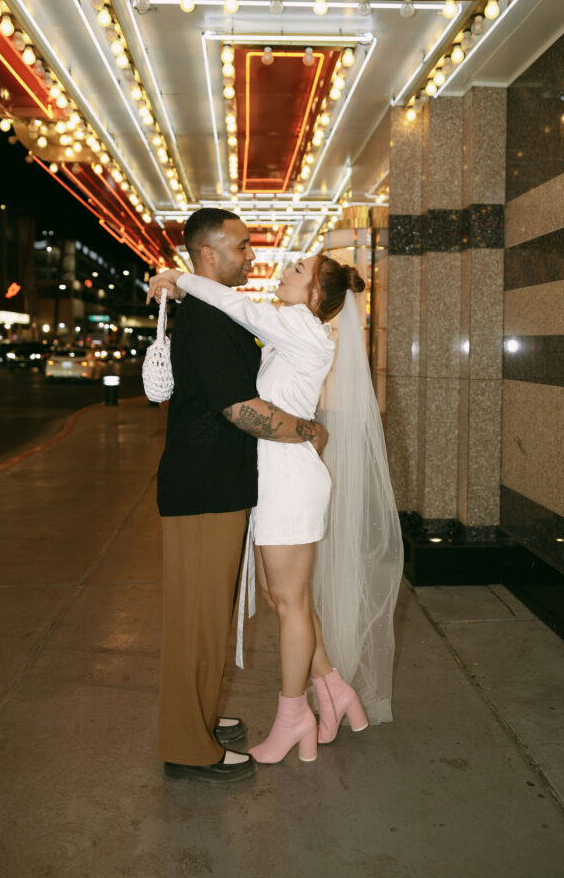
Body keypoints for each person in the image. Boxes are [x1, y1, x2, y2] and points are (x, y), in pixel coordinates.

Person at [149, 235, 403, 766]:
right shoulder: (299, 329)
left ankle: (295, 717)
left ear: (315, 295)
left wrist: (178, 277)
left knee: (289, 604)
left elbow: (239, 305)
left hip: (288, 480)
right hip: (278, 479)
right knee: (285, 601)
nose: (284, 269)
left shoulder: (300, 326)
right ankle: (334, 691)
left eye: (298, 269)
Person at [154, 208, 328, 785]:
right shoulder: (205, 317)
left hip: (220, 486)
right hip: (202, 485)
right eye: (241, 247)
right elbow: (241, 411)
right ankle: (187, 745)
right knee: (195, 620)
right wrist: (310, 430)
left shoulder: (214, 309)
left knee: (211, 617)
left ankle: (199, 718)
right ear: (208, 254)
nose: (252, 256)